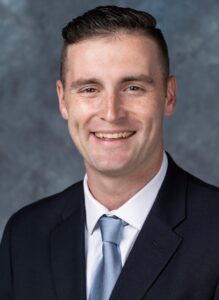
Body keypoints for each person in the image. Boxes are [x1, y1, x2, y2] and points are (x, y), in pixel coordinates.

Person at [1, 5, 219, 300]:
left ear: (169, 96)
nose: (111, 113)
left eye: (132, 87)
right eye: (90, 89)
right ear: (63, 101)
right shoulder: (25, 235)